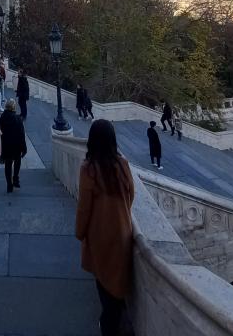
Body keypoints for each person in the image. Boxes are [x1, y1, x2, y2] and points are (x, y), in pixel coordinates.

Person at [75, 119, 135, 336]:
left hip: (99, 237)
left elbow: (84, 208)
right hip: (122, 234)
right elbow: (131, 195)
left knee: (103, 285)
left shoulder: (88, 169)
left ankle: (109, 326)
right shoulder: (123, 164)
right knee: (117, 286)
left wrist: (80, 232)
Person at [0, 99, 27, 193]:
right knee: (17, 161)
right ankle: (15, 178)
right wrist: (24, 148)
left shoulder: (1, 116)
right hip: (16, 145)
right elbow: (22, 135)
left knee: (8, 164)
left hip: (5, 145)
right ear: (14, 107)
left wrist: (1, 130)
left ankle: (9, 185)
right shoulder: (18, 118)